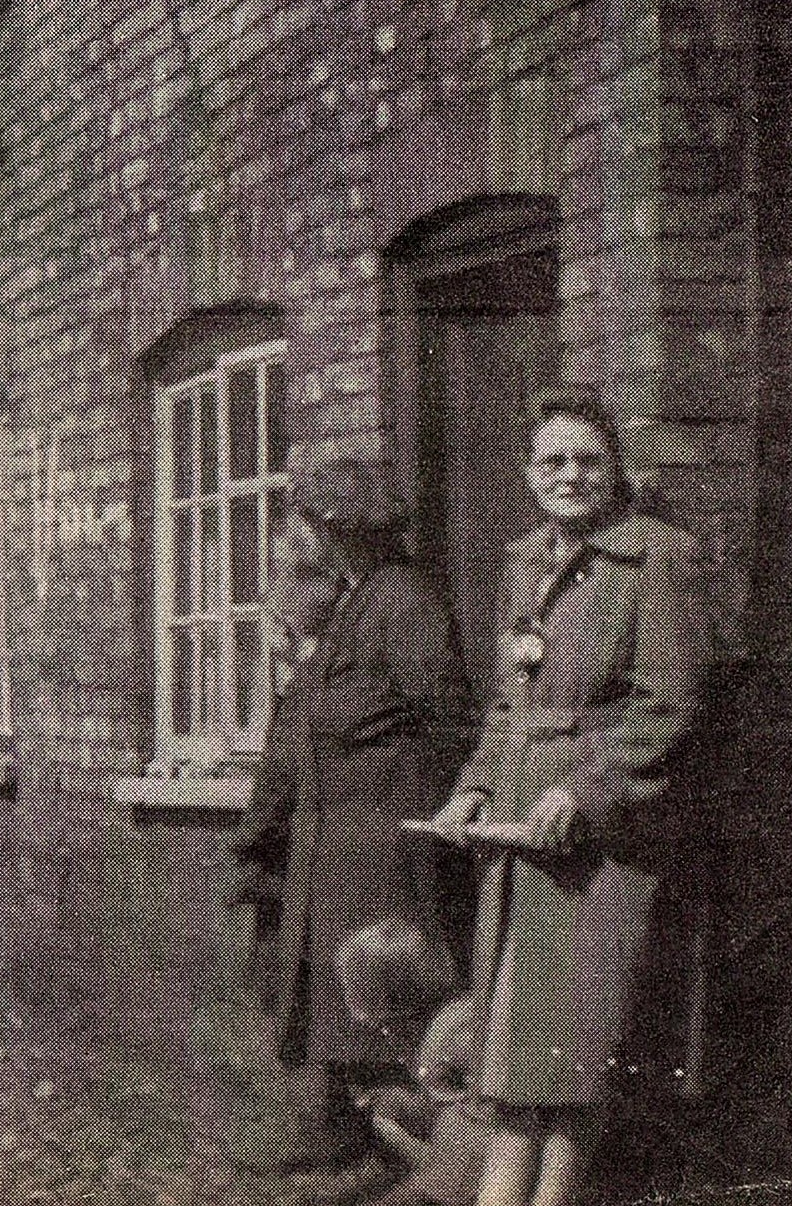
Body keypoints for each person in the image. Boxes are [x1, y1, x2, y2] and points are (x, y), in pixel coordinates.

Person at [428, 388, 719, 1206]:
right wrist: (473, 790)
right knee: (521, 1055)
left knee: (571, 1056)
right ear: (528, 472)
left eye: (588, 460)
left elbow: (670, 706)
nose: (571, 476)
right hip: (520, 842)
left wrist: (587, 794)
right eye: (553, 460)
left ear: (615, 469)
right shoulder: (525, 562)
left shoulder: (659, 559)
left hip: (600, 848)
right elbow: (508, 705)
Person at [231, 460, 472, 1174]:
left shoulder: (403, 603)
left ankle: (393, 1150)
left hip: (384, 834)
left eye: (312, 523)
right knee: (337, 991)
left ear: (339, 531)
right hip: (339, 834)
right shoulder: (364, 599)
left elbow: (453, 722)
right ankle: (341, 1134)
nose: (307, 536)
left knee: (383, 989)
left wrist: (417, 802)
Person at [333, 915, 494, 1206]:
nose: (387, 1037)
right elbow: (450, 1100)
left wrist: (394, 1133)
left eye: (383, 1027)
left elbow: (458, 1145)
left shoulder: (444, 1037)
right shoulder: (456, 1018)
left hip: (474, 1175)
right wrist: (406, 1104)